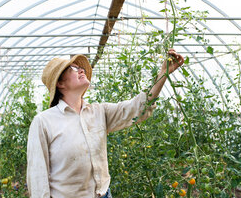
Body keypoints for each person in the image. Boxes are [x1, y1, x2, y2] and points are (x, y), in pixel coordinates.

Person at [26, 49, 184, 198]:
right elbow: (37, 177)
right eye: (73, 69)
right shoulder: (44, 122)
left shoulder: (98, 112)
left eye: (80, 67)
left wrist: (163, 73)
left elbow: (138, 108)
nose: (81, 70)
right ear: (60, 84)